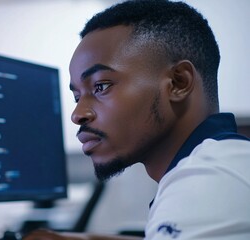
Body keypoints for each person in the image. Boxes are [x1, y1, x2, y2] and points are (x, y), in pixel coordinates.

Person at [23, 0, 250, 239]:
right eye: (77, 96)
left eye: (101, 86)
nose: (78, 114)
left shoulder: (207, 181)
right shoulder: (225, 160)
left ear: (178, 83)